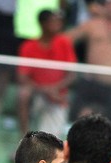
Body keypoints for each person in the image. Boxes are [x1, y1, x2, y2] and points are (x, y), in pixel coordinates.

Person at [17, 9, 77, 137]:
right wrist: (45, 90)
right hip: (37, 94)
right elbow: (22, 77)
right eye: (53, 21)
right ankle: (24, 139)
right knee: (23, 93)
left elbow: (72, 75)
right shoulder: (29, 46)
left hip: (57, 95)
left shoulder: (64, 43)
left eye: (59, 21)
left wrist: (54, 89)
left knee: (49, 140)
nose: (57, 24)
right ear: (42, 24)